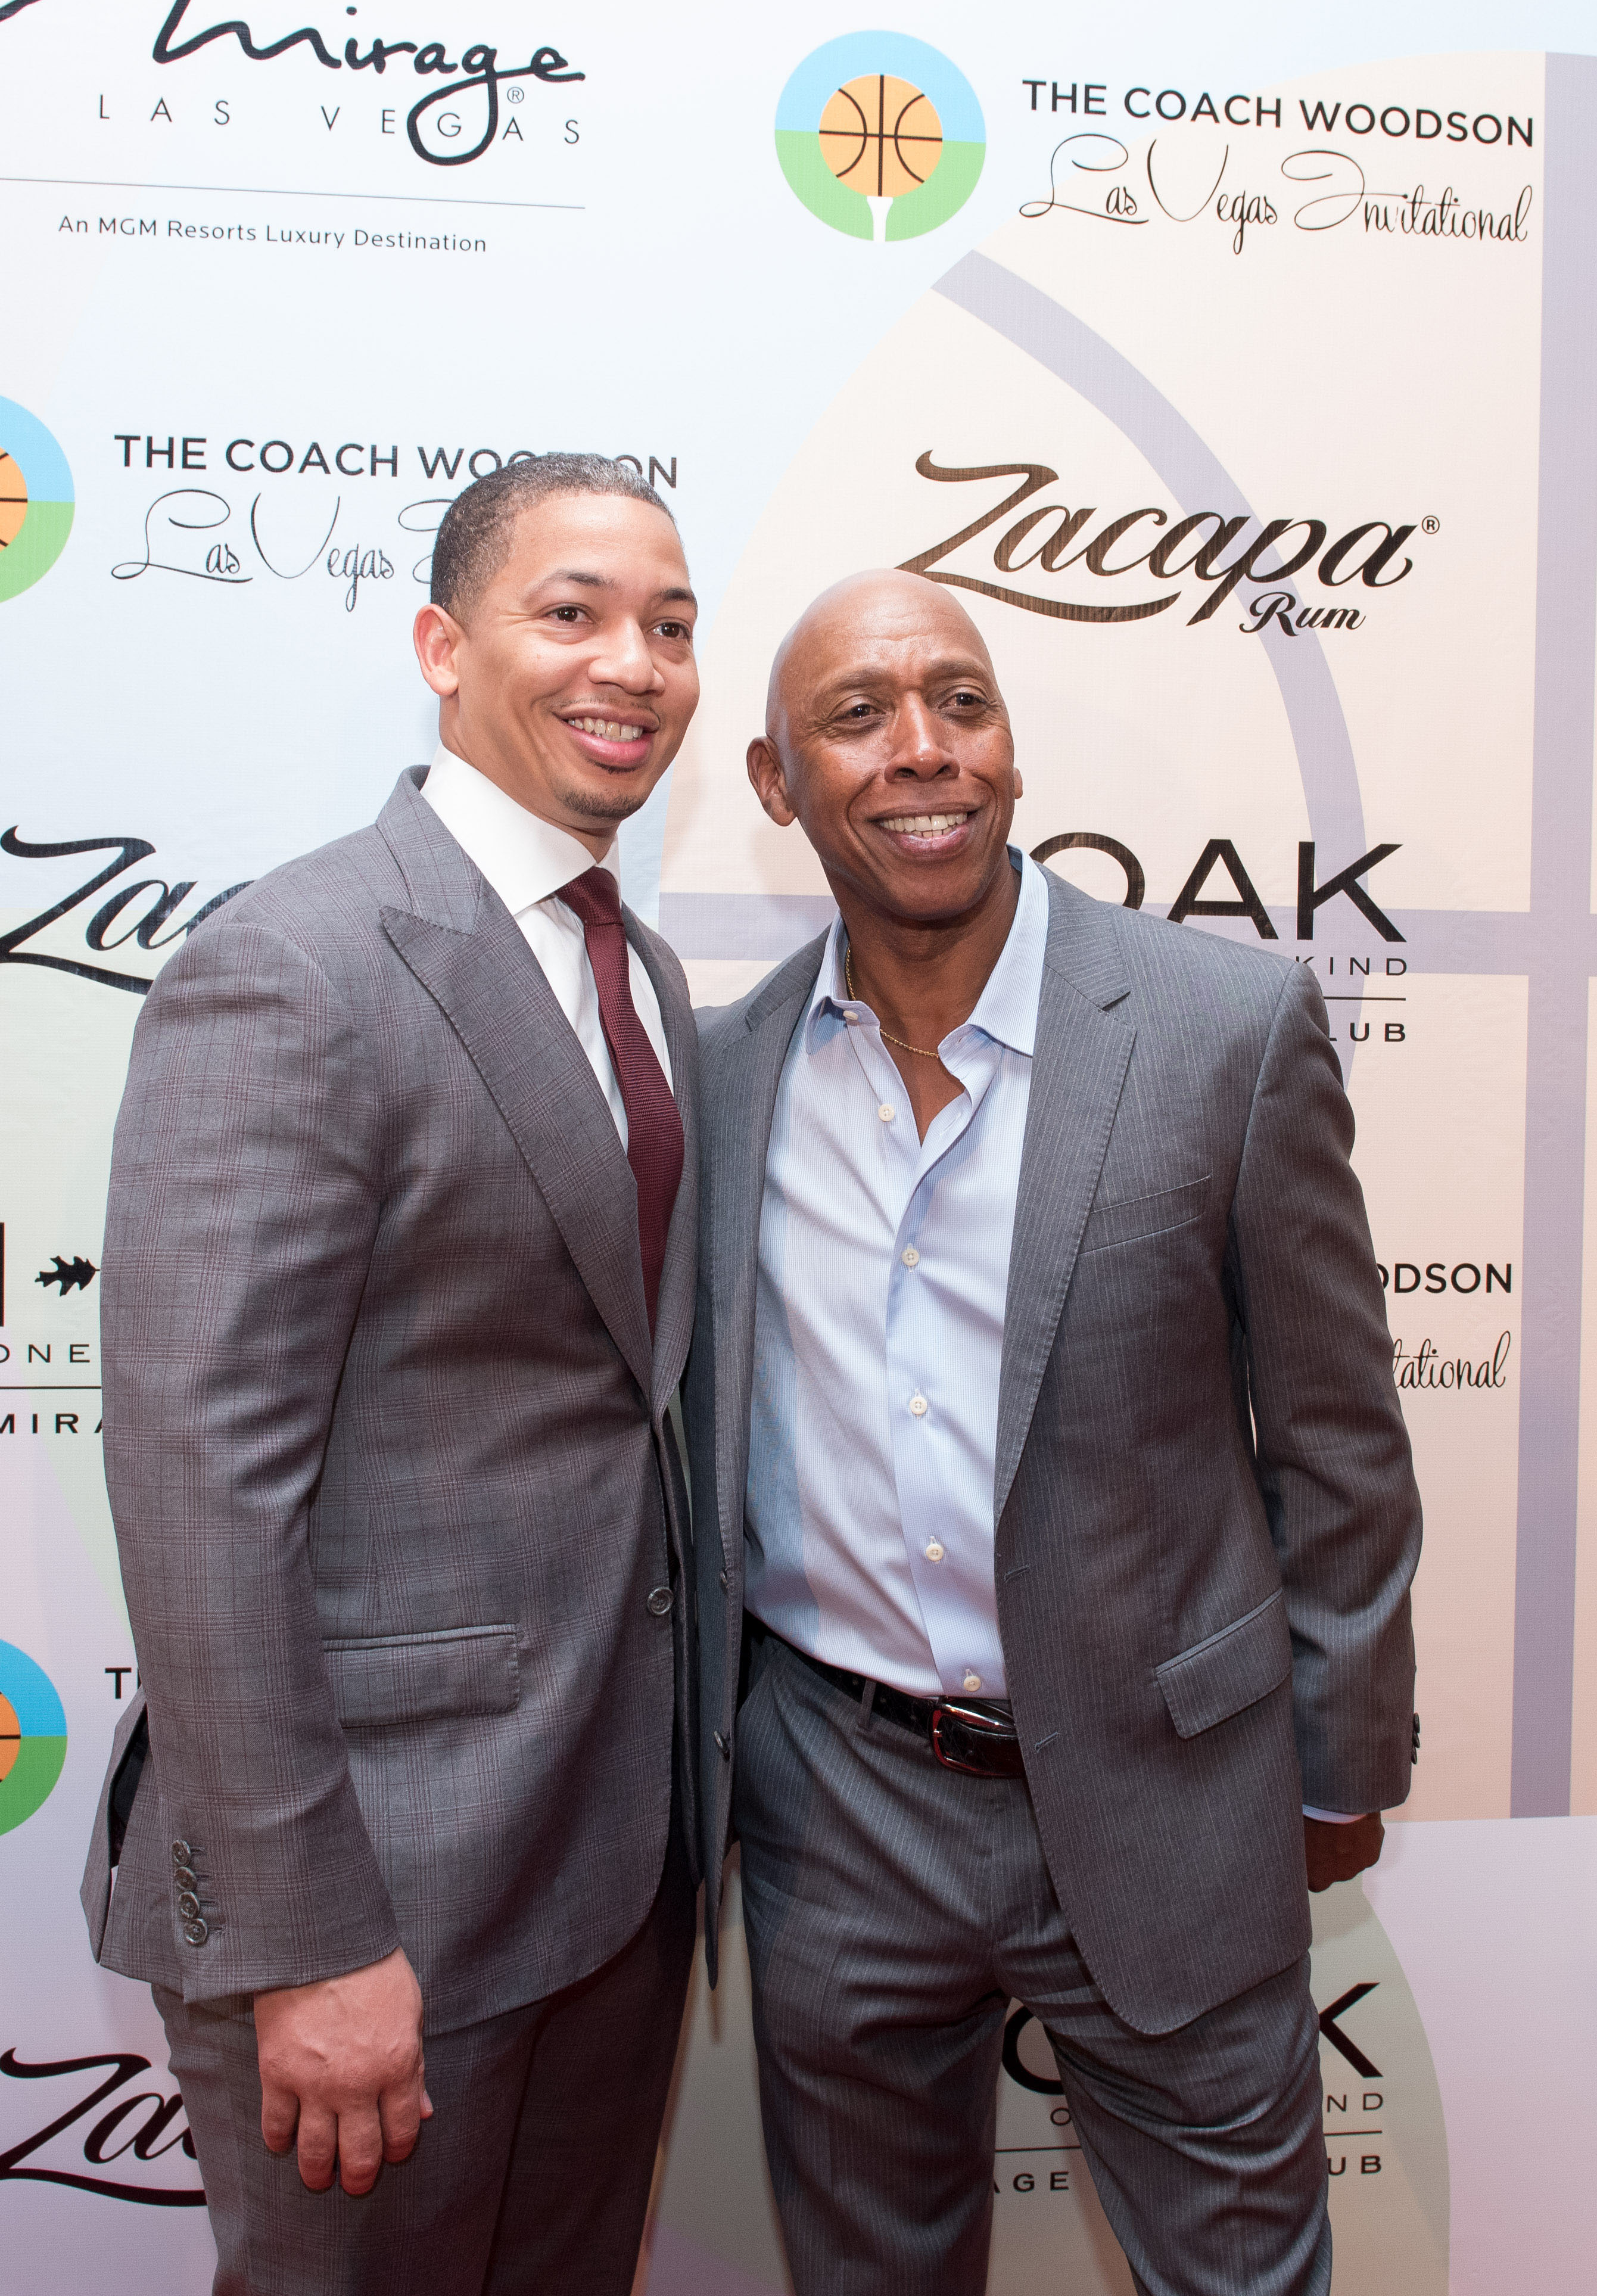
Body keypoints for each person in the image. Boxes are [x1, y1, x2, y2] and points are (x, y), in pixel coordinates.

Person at [684, 568, 1422, 2296]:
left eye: (962, 700)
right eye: (857, 717)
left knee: (1240, 2276)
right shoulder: (722, 1079)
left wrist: (1333, 1762)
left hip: (1173, 1793)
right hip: (835, 1802)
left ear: (1011, 750)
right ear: (777, 781)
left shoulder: (1219, 1031)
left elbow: (1338, 1437)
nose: (922, 750)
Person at [82, 455, 703, 2294]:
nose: (633, 662)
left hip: (606, 1871)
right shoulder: (296, 962)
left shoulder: (641, 971)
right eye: (572, 611)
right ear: (443, 646)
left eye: (669, 625)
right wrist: (306, 1941)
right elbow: (202, 1490)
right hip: (378, 1899)